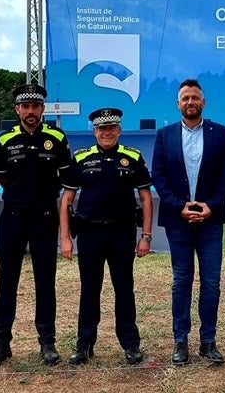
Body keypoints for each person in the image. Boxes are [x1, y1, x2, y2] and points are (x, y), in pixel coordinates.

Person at [0, 83, 71, 368]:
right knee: (6, 281)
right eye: (26, 106)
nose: (31, 111)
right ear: (17, 109)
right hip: (14, 218)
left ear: (43, 109)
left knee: (45, 282)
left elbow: (65, 179)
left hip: (45, 218)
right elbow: (3, 178)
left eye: (36, 106)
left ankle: (47, 342)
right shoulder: (5, 140)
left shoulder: (57, 138)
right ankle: (0, 344)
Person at [58, 108, 153, 365]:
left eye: (112, 128)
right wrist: (65, 238)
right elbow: (66, 200)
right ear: (94, 131)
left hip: (122, 233)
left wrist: (146, 236)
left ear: (119, 130)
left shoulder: (133, 157)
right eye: (102, 128)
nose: (107, 132)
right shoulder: (80, 158)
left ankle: (131, 345)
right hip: (90, 233)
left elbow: (145, 198)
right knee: (90, 290)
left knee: (124, 290)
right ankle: (84, 345)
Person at [151, 79, 225, 365]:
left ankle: (208, 341)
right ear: (178, 104)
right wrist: (179, 206)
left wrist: (211, 206)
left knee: (211, 283)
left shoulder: (219, 133)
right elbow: (159, 177)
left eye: (195, 97)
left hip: (211, 221)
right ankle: (180, 341)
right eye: (185, 98)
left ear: (203, 102)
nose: (190, 102)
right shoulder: (164, 135)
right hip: (178, 221)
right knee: (181, 281)